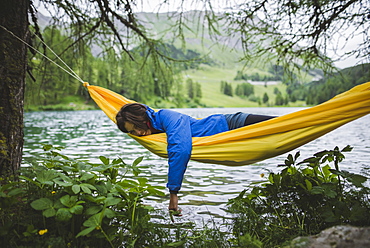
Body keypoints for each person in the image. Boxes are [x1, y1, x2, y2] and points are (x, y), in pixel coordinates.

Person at [116, 103, 275, 213]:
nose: (137, 133)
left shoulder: (166, 116)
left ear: (143, 119)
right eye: (132, 132)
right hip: (227, 138)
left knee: (286, 125)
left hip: (234, 124)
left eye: (137, 127)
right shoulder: (152, 129)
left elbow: (180, 150)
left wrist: (173, 193)